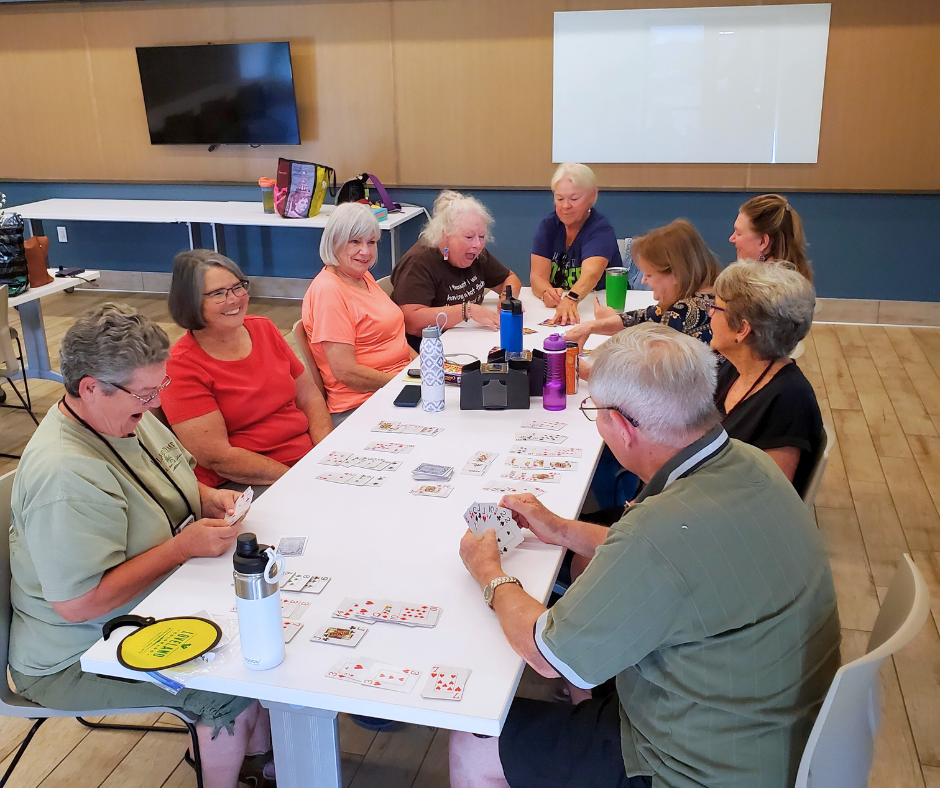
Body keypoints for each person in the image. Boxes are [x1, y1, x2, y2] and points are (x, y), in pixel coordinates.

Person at [451, 324, 841, 788]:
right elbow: (678, 558)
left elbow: (547, 654)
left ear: (620, 425)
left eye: (595, 412)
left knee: (473, 741)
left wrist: (489, 573)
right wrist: (561, 529)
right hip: (769, 730)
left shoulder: (656, 530)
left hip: (696, 769)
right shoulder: (750, 462)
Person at [9, 304, 273, 788]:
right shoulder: (65, 473)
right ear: (90, 387)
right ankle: (239, 764)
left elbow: (171, 479)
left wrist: (209, 497)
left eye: (160, 389)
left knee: (266, 647)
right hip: (75, 655)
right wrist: (180, 548)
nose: (155, 405)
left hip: (150, 607)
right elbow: (77, 603)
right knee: (232, 690)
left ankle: (260, 763)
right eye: (145, 394)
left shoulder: (124, 413)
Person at [161, 250, 332, 490]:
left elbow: (309, 397)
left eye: (237, 287)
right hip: (245, 482)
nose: (234, 299)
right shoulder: (180, 366)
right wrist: (300, 481)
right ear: (190, 301)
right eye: (218, 293)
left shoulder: (264, 328)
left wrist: (326, 455)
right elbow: (218, 458)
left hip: (305, 462)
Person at [709, 260, 823, 495]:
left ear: (742, 328)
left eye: (716, 307)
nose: (710, 312)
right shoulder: (734, 368)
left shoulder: (789, 401)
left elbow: (770, 499)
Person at [302, 202, 416, 426]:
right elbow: (346, 372)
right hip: (360, 404)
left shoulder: (361, 276)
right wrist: (402, 384)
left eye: (371, 242)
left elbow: (395, 338)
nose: (365, 251)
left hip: (396, 385)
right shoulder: (329, 291)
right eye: (355, 241)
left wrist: (423, 368)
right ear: (334, 242)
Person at [564, 219, 720, 371]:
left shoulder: (683, 312)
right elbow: (645, 317)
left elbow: (642, 378)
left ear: (675, 275)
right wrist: (591, 326)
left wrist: (581, 370)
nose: (644, 280)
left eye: (649, 275)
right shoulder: (709, 297)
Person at [391, 190, 522, 351]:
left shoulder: (476, 254)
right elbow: (411, 321)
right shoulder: (419, 262)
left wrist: (506, 299)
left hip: (466, 339)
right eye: (469, 237)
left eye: (481, 236)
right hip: (428, 350)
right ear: (446, 236)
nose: (478, 245)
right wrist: (467, 310)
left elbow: (510, 279)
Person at [530, 162, 622, 326]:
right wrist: (546, 292)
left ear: (592, 197)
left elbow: (591, 275)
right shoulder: (548, 226)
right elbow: (536, 276)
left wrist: (571, 298)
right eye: (559, 198)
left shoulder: (601, 229)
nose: (566, 206)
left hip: (599, 308)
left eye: (574, 199)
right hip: (558, 309)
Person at [730, 193, 812, 280]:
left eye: (738, 233)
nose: (731, 238)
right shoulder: (799, 285)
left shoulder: (751, 291)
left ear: (763, 242)